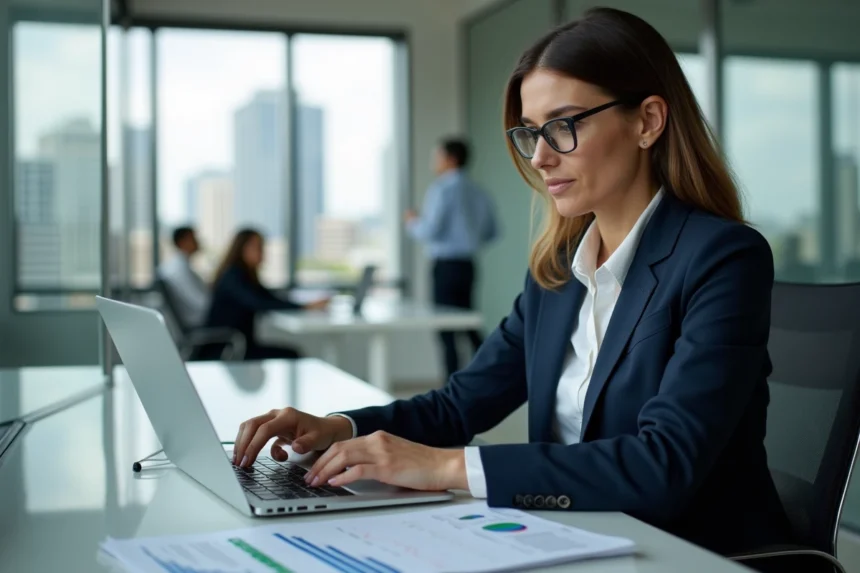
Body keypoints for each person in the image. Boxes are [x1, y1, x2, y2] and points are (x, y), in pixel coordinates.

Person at [230, 8, 793, 559]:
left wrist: (445, 466)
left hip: (689, 552)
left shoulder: (722, 258)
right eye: (530, 132)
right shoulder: (558, 269)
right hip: (576, 535)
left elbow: (664, 464)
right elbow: (459, 406)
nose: (541, 157)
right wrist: (338, 427)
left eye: (564, 126)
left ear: (647, 121)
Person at [405, 138, 499, 380]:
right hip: (468, 265)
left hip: (445, 266)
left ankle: (452, 386)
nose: (434, 163)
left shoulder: (442, 189)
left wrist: (412, 222)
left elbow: (430, 230)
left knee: (446, 328)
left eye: (437, 157)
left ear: (451, 159)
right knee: (468, 324)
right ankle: (489, 376)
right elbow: (492, 231)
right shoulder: (478, 190)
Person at [202, 228, 327, 360]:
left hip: (237, 344)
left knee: (292, 354)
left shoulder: (244, 275)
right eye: (258, 247)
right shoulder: (233, 276)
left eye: (262, 247)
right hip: (228, 347)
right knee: (292, 355)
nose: (262, 253)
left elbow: (268, 297)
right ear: (242, 249)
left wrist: (305, 305)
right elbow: (259, 302)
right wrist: (305, 307)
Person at [158, 226, 209, 329]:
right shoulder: (178, 269)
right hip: (197, 322)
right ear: (182, 242)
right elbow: (201, 303)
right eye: (193, 238)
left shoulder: (178, 266)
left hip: (197, 318)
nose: (198, 241)